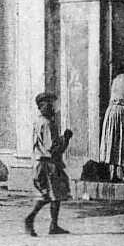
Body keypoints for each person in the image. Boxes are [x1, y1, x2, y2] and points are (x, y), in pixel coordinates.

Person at [25, 91, 73, 236]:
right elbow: (52, 147)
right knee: (48, 195)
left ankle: (54, 225)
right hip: (48, 164)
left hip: (45, 162)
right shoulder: (47, 123)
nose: (53, 108)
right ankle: (31, 218)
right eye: (50, 105)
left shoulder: (39, 121)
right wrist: (65, 138)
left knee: (55, 195)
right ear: (42, 106)